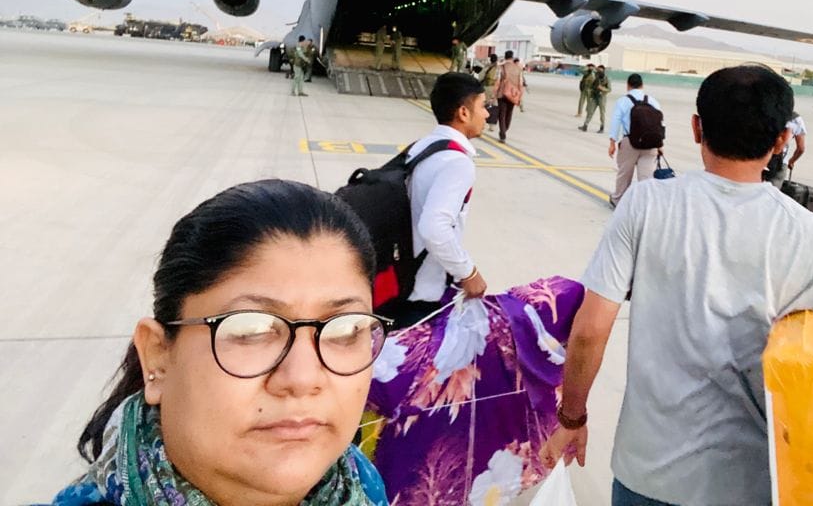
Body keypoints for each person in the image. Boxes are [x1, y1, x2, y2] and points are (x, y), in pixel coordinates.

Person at [540, 66, 813, 506]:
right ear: (782, 141)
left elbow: (589, 331)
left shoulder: (644, 205)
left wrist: (572, 417)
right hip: (754, 487)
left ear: (697, 129)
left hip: (646, 476)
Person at [50, 180, 389, 505]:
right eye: (251, 331)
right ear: (157, 357)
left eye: (345, 331)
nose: (303, 379)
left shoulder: (364, 485)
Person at [400, 72, 489, 327]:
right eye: (482, 106)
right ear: (463, 112)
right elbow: (434, 227)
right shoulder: (457, 163)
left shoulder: (423, 146)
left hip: (401, 281)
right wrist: (468, 273)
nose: (486, 114)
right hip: (421, 295)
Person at [607, 73, 663, 208]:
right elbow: (660, 123)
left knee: (624, 173)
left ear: (628, 86)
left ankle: (618, 200)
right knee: (646, 177)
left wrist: (612, 142)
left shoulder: (623, 101)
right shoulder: (653, 101)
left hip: (630, 142)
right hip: (651, 144)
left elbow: (616, 121)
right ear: (642, 86)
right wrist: (660, 144)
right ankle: (645, 205)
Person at [763, 111, 807, 188]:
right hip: (780, 163)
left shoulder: (764, 111)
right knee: (772, 195)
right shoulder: (795, 119)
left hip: (758, 160)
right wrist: (791, 161)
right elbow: (801, 148)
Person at [495, 50, 523, 143]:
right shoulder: (518, 68)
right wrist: (520, 96)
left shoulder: (501, 67)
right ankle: (505, 130)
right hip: (513, 93)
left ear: (505, 57)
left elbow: (497, 81)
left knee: (502, 114)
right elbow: (520, 83)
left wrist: (493, 94)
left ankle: (502, 134)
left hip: (502, 92)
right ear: (512, 57)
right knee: (509, 113)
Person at [578, 64, 610, 133]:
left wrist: (602, 88)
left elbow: (609, 89)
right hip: (594, 97)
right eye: (598, 70)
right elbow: (591, 86)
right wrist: (591, 91)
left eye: (600, 70)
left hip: (602, 98)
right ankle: (585, 126)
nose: (599, 72)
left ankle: (602, 127)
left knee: (602, 113)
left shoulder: (607, 79)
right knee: (590, 111)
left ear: (603, 71)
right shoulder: (595, 77)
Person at [479, 53, 499, 132]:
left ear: (490, 59)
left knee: (484, 105)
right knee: (494, 107)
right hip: (497, 88)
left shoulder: (487, 67)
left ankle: (482, 123)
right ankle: (492, 126)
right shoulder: (500, 68)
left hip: (487, 87)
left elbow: (481, 77)